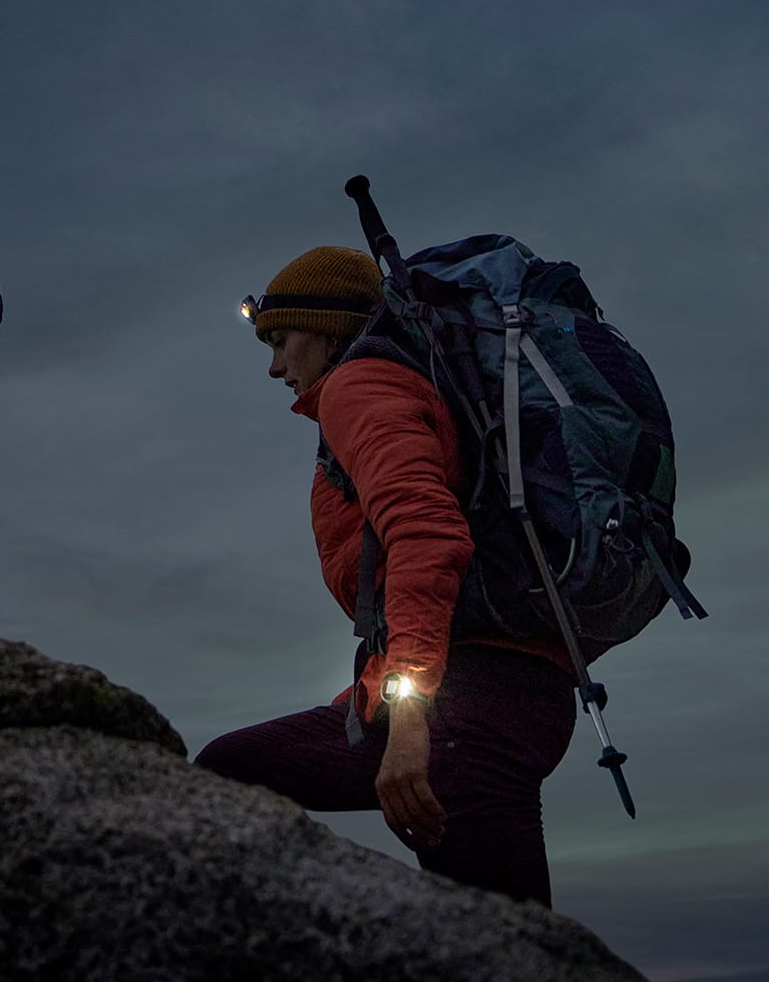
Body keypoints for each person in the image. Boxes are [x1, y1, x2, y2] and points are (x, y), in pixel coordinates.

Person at [195, 246, 578, 906]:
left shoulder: (362, 385)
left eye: (281, 342)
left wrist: (410, 718)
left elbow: (426, 536)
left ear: (327, 331)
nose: (275, 367)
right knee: (230, 767)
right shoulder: (415, 383)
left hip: (469, 706)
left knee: (501, 952)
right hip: (505, 691)